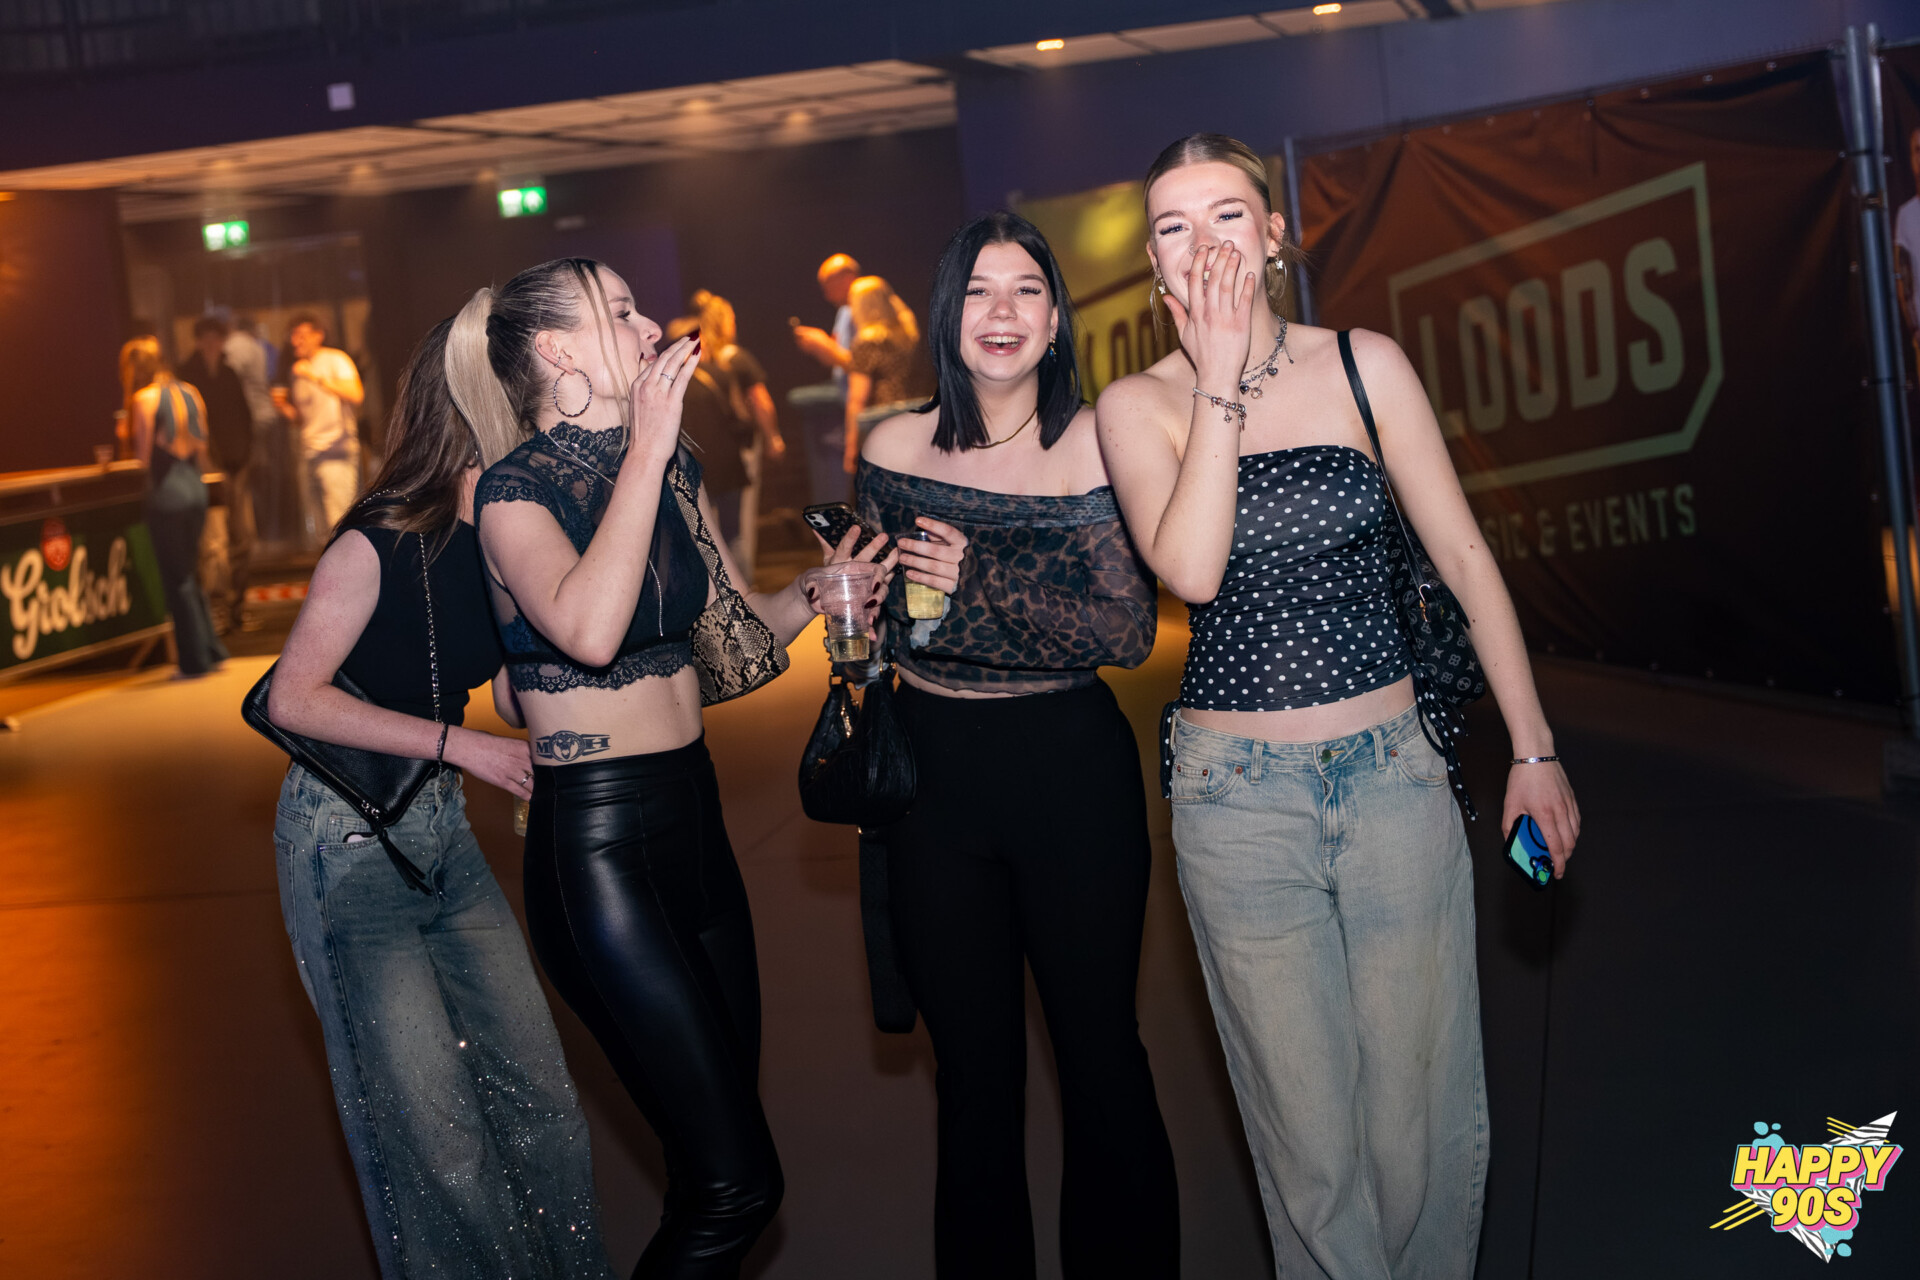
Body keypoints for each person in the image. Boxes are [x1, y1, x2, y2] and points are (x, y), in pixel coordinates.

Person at [1095, 133, 1582, 1280]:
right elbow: (1193, 570)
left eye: (1227, 214)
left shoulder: (1365, 364)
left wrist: (1534, 748)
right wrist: (1218, 381)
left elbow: (1464, 557)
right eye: (1173, 227)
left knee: (1420, 1119)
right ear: (1155, 267)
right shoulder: (1136, 404)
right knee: (1310, 1142)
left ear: (1273, 235)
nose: (1202, 243)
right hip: (1236, 804)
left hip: (1393, 776)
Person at [448, 256, 891, 1278]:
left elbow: (736, 644)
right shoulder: (511, 491)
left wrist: (819, 591)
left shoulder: (672, 469)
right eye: (619, 311)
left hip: (694, 819)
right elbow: (590, 632)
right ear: (556, 350)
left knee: (709, 1168)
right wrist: (648, 447)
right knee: (741, 1186)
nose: (651, 326)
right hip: (597, 849)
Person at [856, 211, 1180, 1280]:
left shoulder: (1095, 441)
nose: (1002, 312)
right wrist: (853, 601)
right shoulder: (891, 447)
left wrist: (979, 579)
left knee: (1101, 1058)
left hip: (1068, 771)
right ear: (945, 313)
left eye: (1026, 290)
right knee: (971, 1079)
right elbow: (891, 626)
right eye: (980, 290)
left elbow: (1125, 633)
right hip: (932, 779)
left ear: (1055, 318)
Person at [266, 318, 612, 1278]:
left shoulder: (507, 531)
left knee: (541, 1093)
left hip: (442, 831)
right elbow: (294, 699)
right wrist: (465, 746)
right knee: (434, 1131)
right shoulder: (377, 538)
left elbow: (506, 688)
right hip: (345, 838)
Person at [122, 337, 228, 677]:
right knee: (191, 572)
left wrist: (122, 437)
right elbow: (202, 445)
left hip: (167, 492)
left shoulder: (144, 399)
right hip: (194, 488)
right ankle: (211, 649)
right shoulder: (190, 392)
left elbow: (142, 457)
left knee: (176, 578)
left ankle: (193, 661)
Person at [692, 290, 785, 574]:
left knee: (710, 523)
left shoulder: (700, 362)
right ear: (724, 322)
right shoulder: (737, 358)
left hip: (704, 451)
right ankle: (744, 583)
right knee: (740, 525)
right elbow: (760, 402)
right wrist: (773, 438)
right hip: (740, 447)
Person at [178, 314, 257, 632]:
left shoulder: (229, 373)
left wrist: (246, 457)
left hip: (237, 467)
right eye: (206, 338)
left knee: (244, 538)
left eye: (217, 338)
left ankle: (237, 609)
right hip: (207, 471)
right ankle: (217, 610)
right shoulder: (186, 377)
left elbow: (245, 418)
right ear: (198, 341)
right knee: (214, 543)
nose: (212, 344)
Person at [274, 313, 366, 548]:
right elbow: (303, 418)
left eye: (302, 335)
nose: (295, 341)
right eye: (293, 335)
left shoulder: (335, 359)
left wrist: (315, 377)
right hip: (309, 452)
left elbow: (356, 394)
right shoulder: (297, 370)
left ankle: (348, 569)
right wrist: (283, 408)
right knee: (319, 527)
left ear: (319, 335)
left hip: (336, 452)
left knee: (339, 521)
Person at [841, 275, 926, 474]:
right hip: (916, 416)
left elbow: (857, 398)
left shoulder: (866, 343)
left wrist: (852, 446)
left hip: (882, 421)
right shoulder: (908, 335)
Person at [791, 252, 861, 386]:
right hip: (842, 386)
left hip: (859, 390)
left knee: (798, 396)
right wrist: (817, 346)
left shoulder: (867, 312)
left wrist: (825, 345)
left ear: (848, 279)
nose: (827, 295)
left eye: (828, 286)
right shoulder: (843, 312)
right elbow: (835, 358)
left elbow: (867, 366)